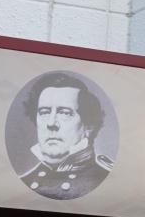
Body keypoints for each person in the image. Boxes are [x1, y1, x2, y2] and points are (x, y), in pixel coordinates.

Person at [19, 71, 113, 199]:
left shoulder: (107, 182)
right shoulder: (23, 181)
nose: (51, 123)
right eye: (44, 112)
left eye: (65, 113)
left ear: (89, 126)